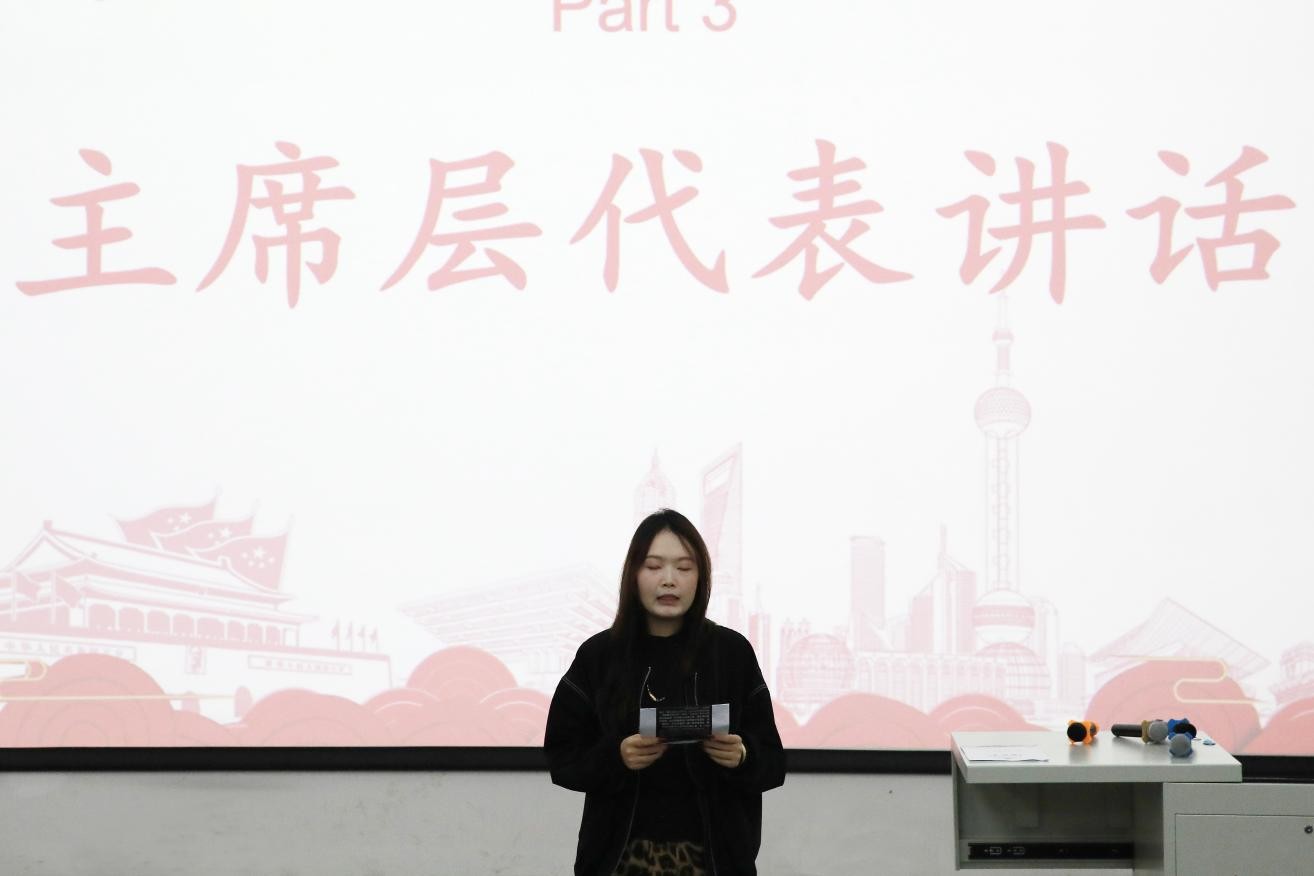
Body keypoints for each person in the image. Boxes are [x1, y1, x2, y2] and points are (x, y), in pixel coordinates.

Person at [545, 508, 786, 876]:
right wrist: (616, 757)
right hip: (618, 862)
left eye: (684, 568)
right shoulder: (599, 656)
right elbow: (562, 757)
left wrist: (742, 755)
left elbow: (773, 762)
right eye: (654, 566)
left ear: (701, 578)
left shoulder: (731, 653)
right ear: (633, 574)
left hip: (716, 862)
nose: (669, 580)